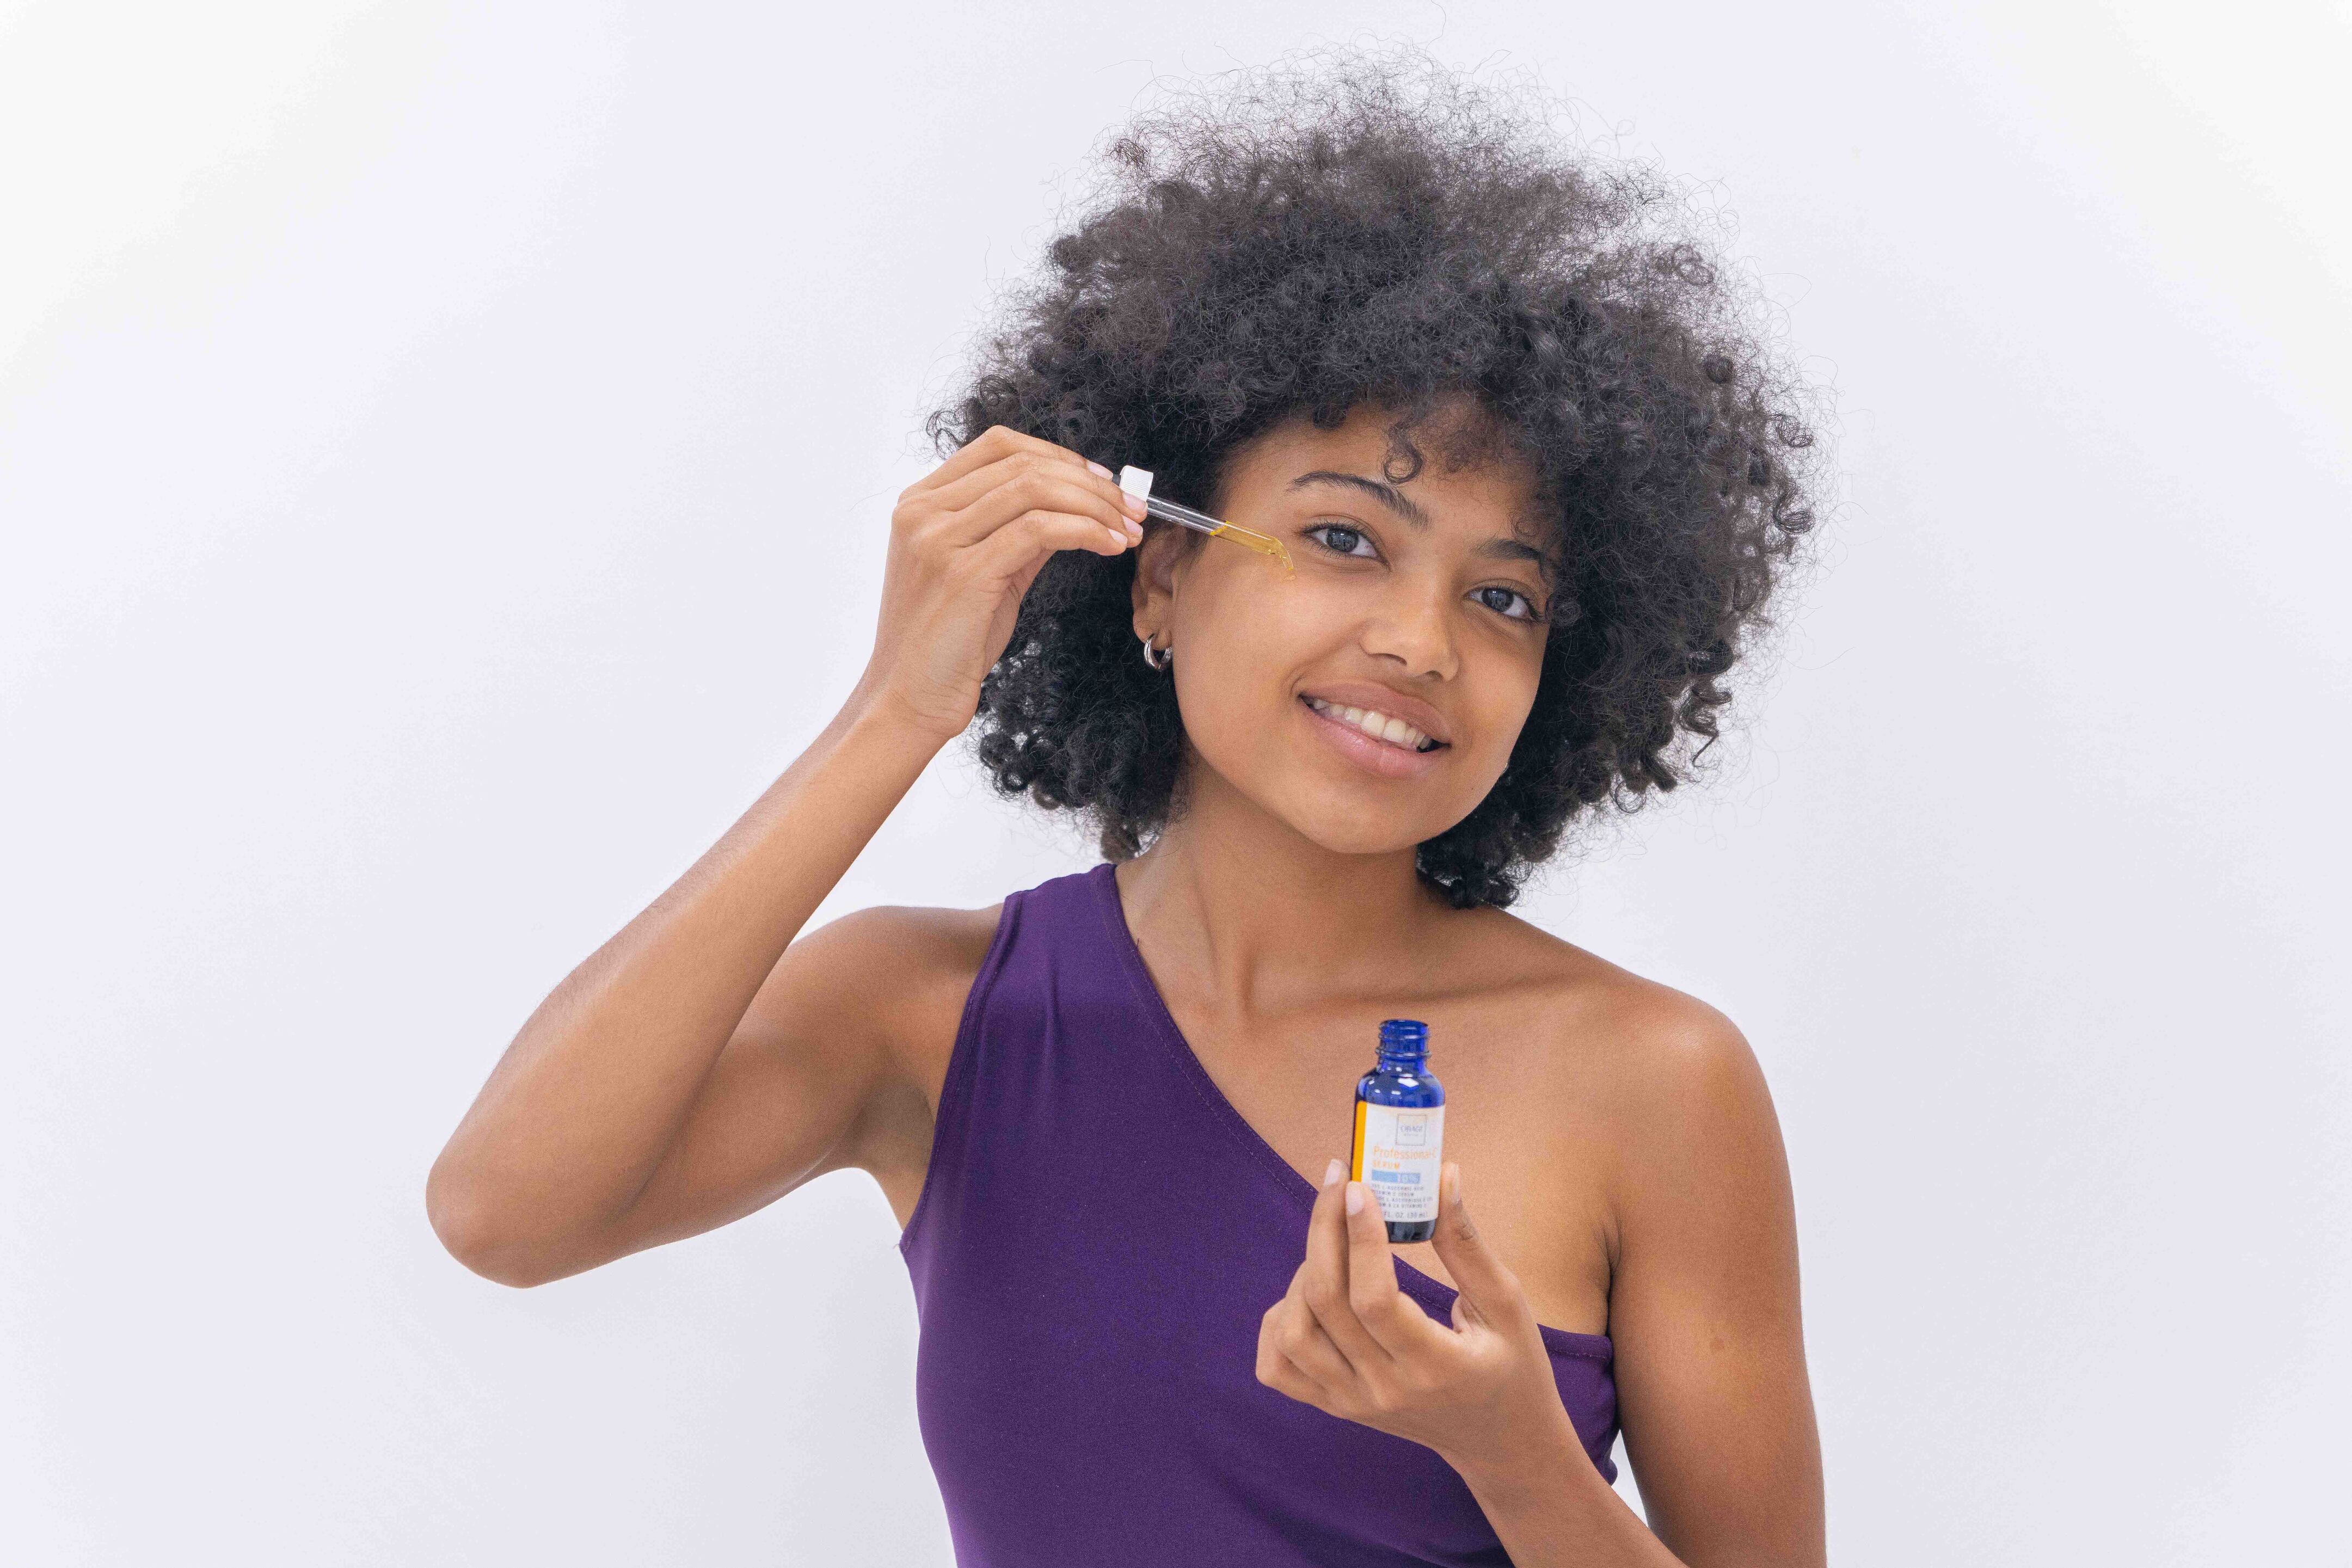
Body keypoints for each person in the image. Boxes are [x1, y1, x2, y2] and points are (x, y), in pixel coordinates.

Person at [428, 53, 1827, 1568]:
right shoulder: (935, 1014)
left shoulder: (1653, 1081)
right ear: (1161, 574)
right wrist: (897, 707)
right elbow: (506, 1213)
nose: (1424, 643)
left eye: (1503, 598)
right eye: (1344, 538)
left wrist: (1517, 1461)